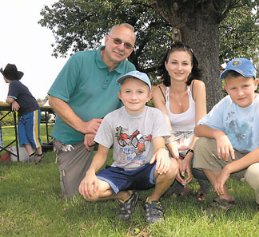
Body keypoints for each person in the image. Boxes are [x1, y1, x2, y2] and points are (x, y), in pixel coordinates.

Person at [48, 23, 136, 198]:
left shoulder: (129, 71)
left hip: (106, 134)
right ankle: (124, 194)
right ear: (106, 39)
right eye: (117, 41)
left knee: (139, 142)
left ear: (131, 50)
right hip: (71, 137)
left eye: (127, 45)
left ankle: (135, 178)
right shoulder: (79, 60)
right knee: (78, 195)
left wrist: (97, 130)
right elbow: (55, 99)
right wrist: (83, 126)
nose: (121, 47)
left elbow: (127, 111)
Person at [193, 58, 259, 212]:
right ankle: (224, 197)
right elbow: (198, 129)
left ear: (256, 83)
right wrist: (218, 134)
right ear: (226, 88)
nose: (240, 93)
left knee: (258, 174)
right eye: (233, 88)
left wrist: (228, 168)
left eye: (245, 86)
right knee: (202, 145)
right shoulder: (226, 103)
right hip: (241, 156)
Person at [79, 71, 178, 223]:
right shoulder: (110, 118)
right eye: (128, 91)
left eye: (140, 92)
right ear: (120, 95)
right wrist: (90, 172)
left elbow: (159, 144)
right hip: (120, 171)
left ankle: (153, 201)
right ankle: (126, 196)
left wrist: (162, 151)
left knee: (171, 165)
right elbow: (101, 153)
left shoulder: (155, 115)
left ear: (149, 95)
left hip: (146, 168)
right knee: (88, 191)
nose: (133, 97)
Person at [152, 42, 210, 201]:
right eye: (174, 62)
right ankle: (177, 185)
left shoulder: (198, 86)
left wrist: (189, 155)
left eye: (185, 63)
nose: (179, 68)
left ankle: (206, 186)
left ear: (191, 67)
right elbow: (165, 127)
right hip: (171, 140)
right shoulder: (158, 91)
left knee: (205, 151)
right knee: (163, 155)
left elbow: (201, 126)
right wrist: (177, 158)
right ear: (166, 64)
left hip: (195, 138)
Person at [0, 63, 43, 163]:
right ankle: (32, 157)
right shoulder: (14, 84)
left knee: (32, 135)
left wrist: (12, 100)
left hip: (31, 111)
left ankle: (40, 156)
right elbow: (12, 99)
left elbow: (9, 99)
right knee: (22, 136)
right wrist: (14, 100)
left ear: (6, 76)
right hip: (22, 114)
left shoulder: (14, 83)